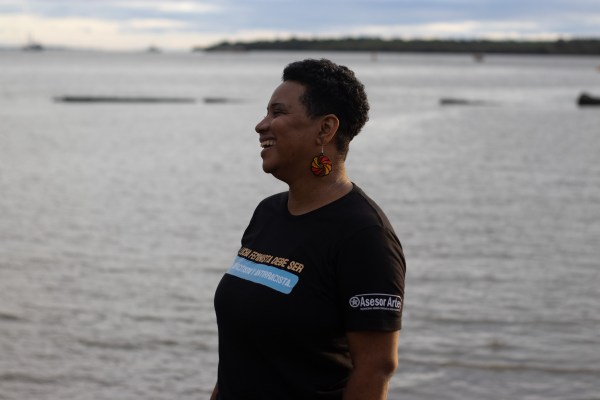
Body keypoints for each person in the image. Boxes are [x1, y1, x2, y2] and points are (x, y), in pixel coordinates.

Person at [212, 58, 406, 400]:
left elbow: (375, 370)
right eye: (265, 113)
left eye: (278, 113)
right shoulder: (268, 213)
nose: (261, 125)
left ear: (325, 129)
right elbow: (238, 357)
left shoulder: (364, 236)